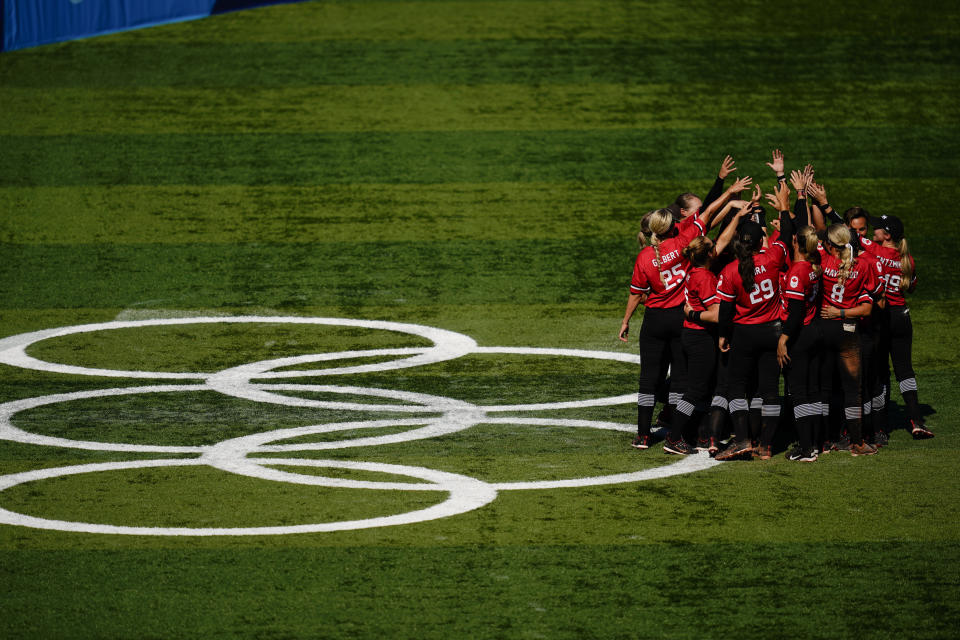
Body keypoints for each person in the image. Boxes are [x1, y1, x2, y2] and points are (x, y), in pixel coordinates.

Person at [619, 177, 751, 450]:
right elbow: (708, 216)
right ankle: (682, 431)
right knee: (681, 378)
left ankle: (643, 435)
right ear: (670, 228)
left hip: (653, 320)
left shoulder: (645, 255)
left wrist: (625, 321)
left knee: (648, 377)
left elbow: (635, 293)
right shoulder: (684, 242)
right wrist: (729, 196)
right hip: (680, 318)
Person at [714, 197, 790, 461]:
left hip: (744, 334)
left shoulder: (730, 270)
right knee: (769, 390)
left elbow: (725, 310)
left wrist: (724, 334)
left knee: (737, 388)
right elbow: (788, 235)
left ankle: (742, 438)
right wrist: (784, 206)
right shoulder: (773, 257)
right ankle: (766, 445)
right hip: (772, 332)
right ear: (761, 241)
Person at [815, 223, 879, 456]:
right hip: (848, 332)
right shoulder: (862, 265)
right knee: (853, 391)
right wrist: (842, 312)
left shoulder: (823, 260)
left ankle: (820, 442)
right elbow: (871, 300)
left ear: (830, 245)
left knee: (822, 388)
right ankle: (857, 443)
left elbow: (816, 232)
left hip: (823, 329)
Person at [866, 214, 933, 439]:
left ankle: (880, 428)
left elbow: (850, 238)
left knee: (880, 373)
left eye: (877, 228)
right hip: (903, 317)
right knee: (905, 370)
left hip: (882, 317)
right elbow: (911, 287)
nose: (872, 230)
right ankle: (917, 421)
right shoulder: (908, 260)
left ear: (886, 235)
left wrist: (825, 206)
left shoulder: (877, 251)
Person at [772, 174, 823, 462]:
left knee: (799, 393)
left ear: (796, 243)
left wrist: (783, 340)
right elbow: (801, 227)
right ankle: (814, 442)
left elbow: (795, 314)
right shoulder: (813, 265)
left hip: (800, 334)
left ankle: (806, 448)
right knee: (813, 391)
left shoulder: (796, 273)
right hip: (815, 331)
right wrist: (797, 196)